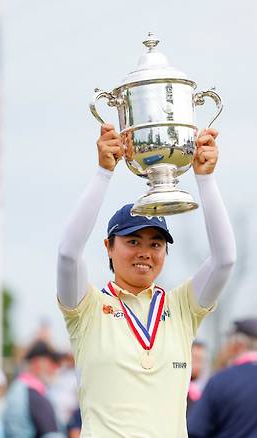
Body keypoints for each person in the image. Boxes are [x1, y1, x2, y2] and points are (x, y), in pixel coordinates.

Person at [56, 124, 236, 437]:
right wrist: (103, 173)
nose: (145, 252)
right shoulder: (87, 307)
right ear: (109, 247)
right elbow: (68, 254)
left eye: (156, 244)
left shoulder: (181, 307)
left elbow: (225, 260)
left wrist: (205, 179)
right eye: (132, 241)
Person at [3, 340, 64, 438]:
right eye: (52, 362)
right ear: (37, 363)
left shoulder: (18, 387)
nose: (56, 367)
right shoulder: (33, 394)